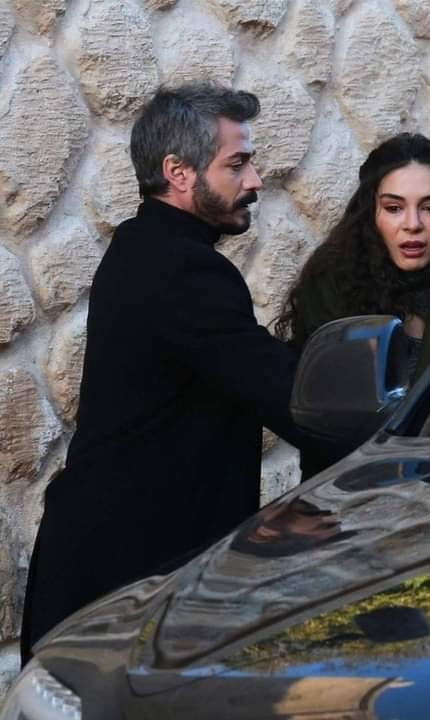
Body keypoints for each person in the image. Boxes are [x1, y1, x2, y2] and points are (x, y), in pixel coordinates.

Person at [21, 84, 302, 664]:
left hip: (109, 579)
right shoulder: (183, 270)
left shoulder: (143, 249)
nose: (254, 180)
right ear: (178, 172)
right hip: (124, 594)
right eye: (237, 164)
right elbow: (283, 392)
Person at [275, 133, 430, 475]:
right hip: (354, 484)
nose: (413, 225)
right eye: (394, 208)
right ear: (372, 214)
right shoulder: (333, 284)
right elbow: (329, 416)